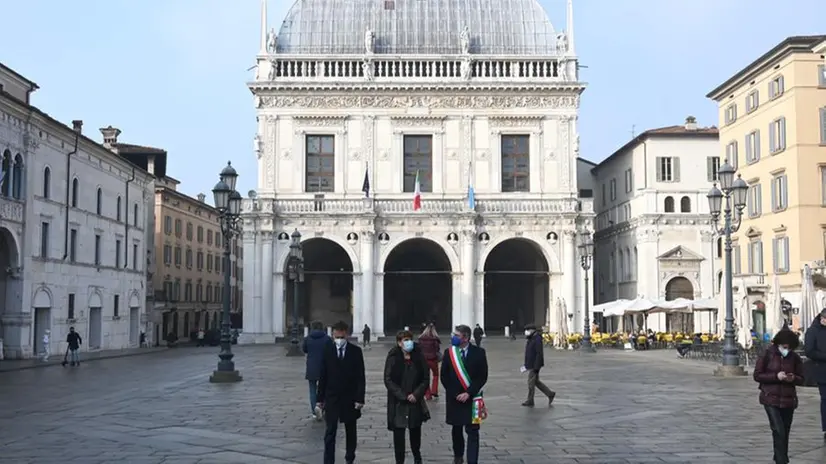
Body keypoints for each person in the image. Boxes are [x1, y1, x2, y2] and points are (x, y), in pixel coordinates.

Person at [317, 320, 366, 464]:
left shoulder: (356, 352)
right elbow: (323, 376)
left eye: (341, 337)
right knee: (330, 432)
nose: (339, 340)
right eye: (336, 337)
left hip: (350, 398)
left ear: (347, 335)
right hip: (332, 398)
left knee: (351, 431)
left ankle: (350, 458)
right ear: (332, 335)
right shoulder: (327, 351)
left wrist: (360, 398)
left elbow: (360, 377)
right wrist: (320, 400)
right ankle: (328, 460)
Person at [754, 327, 805, 464]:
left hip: (788, 399)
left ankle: (780, 457)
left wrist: (793, 378)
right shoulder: (767, 354)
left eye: (789, 348)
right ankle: (782, 460)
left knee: (785, 431)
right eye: (784, 347)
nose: (787, 350)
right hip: (770, 397)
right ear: (778, 344)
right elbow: (757, 375)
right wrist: (776, 376)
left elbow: (802, 378)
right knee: (778, 429)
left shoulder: (795, 358)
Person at [441, 325, 488, 464]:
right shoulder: (449, 353)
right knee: (456, 430)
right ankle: (458, 455)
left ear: (466, 337)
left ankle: (472, 461)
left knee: (473, 432)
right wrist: (455, 393)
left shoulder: (479, 352)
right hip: (454, 399)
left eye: (457, 335)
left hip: (473, 398)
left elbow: (482, 376)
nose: (453, 337)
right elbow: (444, 376)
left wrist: (469, 392)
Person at [384, 330, 430, 464]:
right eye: (405, 340)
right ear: (399, 343)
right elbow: (388, 379)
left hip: (415, 400)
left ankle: (417, 456)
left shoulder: (419, 356)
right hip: (398, 402)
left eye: (409, 339)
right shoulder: (393, 357)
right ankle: (400, 460)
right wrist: (402, 395)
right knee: (398, 434)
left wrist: (416, 394)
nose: (408, 342)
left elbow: (425, 378)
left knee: (415, 431)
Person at [804, 308, 826, 441]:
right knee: (825, 399)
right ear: (822, 318)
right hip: (822, 370)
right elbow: (809, 351)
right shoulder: (813, 331)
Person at [521, 324, 555, 407]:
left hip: (534, 365)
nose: (526, 332)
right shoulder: (531, 338)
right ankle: (550, 394)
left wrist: (536, 367)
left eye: (528, 330)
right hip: (531, 364)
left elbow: (539, 354)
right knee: (536, 382)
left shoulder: (537, 339)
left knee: (530, 383)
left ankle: (530, 400)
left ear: (532, 330)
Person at [303, 320, 330, 421]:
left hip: (312, 367)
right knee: (326, 389)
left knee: (312, 390)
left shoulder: (307, 339)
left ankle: (315, 411)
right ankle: (324, 408)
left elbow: (304, 349)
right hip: (325, 367)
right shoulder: (327, 338)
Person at [418, 323, 442, 400]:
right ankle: (434, 391)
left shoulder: (421, 339)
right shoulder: (435, 339)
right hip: (433, 359)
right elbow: (437, 349)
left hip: (424, 360)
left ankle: (428, 394)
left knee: (425, 377)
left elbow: (419, 349)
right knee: (435, 375)